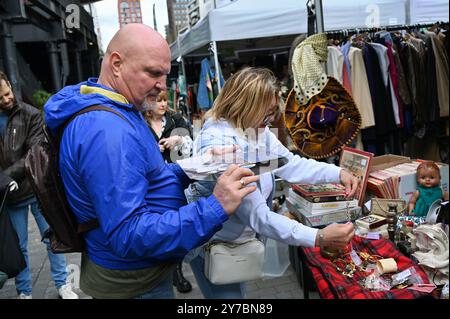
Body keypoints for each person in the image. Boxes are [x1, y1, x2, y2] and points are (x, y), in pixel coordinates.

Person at [43, 24, 259, 299]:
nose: (162, 85)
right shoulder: (107, 130)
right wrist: (216, 206)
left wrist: (196, 165)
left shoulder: (119, 107)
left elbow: (147, 177)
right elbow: (129, 234)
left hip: (136, 274)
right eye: (153, 73)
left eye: (165, 75)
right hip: (133, 281)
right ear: (117, 64)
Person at [185, 67, 357, 299]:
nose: (271, 120)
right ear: (246, 105)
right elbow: (259, 216)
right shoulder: (221, 143)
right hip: (216, 248)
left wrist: (337, 173)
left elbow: (289, 164)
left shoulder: (255, 129)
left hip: (238, 244)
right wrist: (319, 237)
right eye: (267, 114)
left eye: (273, 113)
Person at [0, 71, 78, 299]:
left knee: (54, 237)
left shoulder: (31, 114)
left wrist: (5, 176)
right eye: (0, 98)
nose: (6, 99)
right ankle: (25, 291)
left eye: (7, 93)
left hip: (36, 189)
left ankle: (63, 283)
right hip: (10, 195)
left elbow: (32, 154)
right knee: (19, 246)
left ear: (11, 87)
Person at [144, 91, 193, 293]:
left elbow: (192, 146)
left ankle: (177, 271)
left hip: (176, 181)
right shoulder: (138, 122)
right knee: (157, 227)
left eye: (164, 100)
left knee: (176, 225)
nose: (162, 104)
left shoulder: (176, 119)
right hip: (150, 184)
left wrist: (178, 141)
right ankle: (161, 270)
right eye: (157, 100)